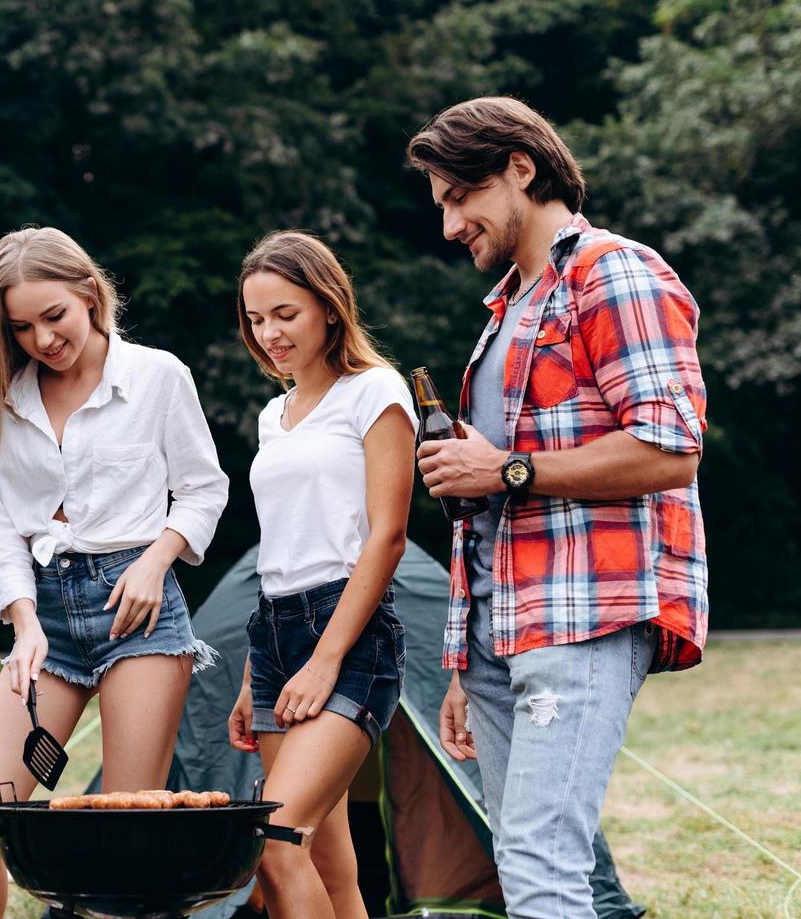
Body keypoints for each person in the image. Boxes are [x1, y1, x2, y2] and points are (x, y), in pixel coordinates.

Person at [407, 96, 708, 917]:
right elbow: (503, 493)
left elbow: (670, 448)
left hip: (582, 613)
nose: (448, 225)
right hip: (501, 630)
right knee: (520, 858)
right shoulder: (508, 311)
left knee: (541, 864)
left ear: (519, 168)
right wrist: (466, 660)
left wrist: (501, 468)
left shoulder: (613, 273)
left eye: (457, 197)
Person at [0, 226, 229, 918]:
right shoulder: (4, 399)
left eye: (53, 316)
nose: (42, 338)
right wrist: (21, 623)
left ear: (89, 295)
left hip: (139, 609)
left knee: (123, 846)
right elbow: (1, 528)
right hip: (44, 615)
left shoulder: (158, 377)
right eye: (21, 327)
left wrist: (157, 560)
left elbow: (203, 489)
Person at [226, 231, 415, 919]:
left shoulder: (374, 391)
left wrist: (324, 660)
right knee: (324, 862)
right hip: (274, 635)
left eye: (285, 313)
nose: (269, 333)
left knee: (274, 844)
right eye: (255, 318)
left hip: (349, 634)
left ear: (329, 307)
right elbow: (278, 546)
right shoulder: (271, 416)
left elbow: (387, 537)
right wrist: (255, 674)